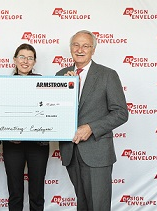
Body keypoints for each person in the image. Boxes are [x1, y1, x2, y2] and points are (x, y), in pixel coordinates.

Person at [56, 30, 128, 211]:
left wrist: (91, 127)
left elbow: (121, 113)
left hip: (97, 152)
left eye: (86, 46)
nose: (80, 49)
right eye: (76, 45)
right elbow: (54, 111)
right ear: (70, 48)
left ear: (93, 50)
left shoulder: (107, 75)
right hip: (70, 152)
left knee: (98, 206)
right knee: (83, 205)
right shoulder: (61, 75)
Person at [3, 43, 49, 211]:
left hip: (38, 144)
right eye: (22, 57)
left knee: (37, 192)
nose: (25, 61)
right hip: (12, 144)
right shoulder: (3, 85)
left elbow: (50, 110)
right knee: (15, 191)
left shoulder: (43, 83)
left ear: (34, 62)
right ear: (14, 60)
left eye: (30, 58)